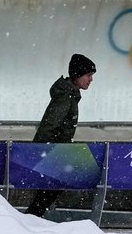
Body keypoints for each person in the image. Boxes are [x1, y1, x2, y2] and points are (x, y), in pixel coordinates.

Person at [26, 53, 96, 219]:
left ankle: (32, 219)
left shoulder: (69, 94)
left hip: (57, 151)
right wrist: (42, 151)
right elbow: (50, 125)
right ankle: (31, 219)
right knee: (52, 188)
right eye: (88, 75)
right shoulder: (65, 96)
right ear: (77, 75)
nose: (91, 79)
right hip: (54, 152)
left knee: (50, 190)